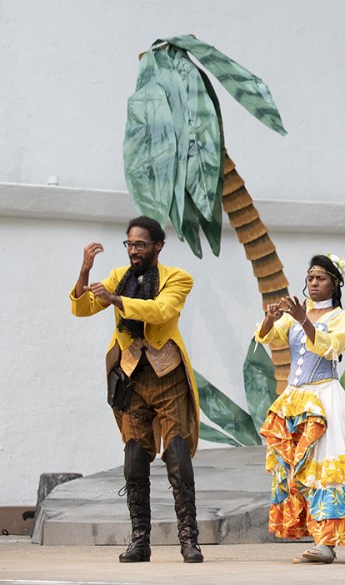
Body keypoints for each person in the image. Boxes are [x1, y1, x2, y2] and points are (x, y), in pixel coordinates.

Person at [70, 215, 204, 563]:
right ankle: (139, 541)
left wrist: (115, 299)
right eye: (129, 244)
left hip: (167, 373)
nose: (133, 250)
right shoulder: (118, 277)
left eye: (140, 244)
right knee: (133, 458)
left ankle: (189, 539)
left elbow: (160, 311)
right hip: (130, 376)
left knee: (176, 453)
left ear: (158, 245)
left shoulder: (178, 278)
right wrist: (85, 271)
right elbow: (82, 307)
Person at [254, 253, 345, 564]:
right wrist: (270, 316)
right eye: (310, 278)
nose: (313, 283)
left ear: (335, 282)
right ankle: (312, 533)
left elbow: (331, 347)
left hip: (325, 396)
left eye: (320, 278)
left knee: (326, 466)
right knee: (295, 466)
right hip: (295, 398)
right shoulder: (294, 316)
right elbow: (266, 335)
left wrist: (304, 320)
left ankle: (327, 543)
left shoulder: (340, 318)